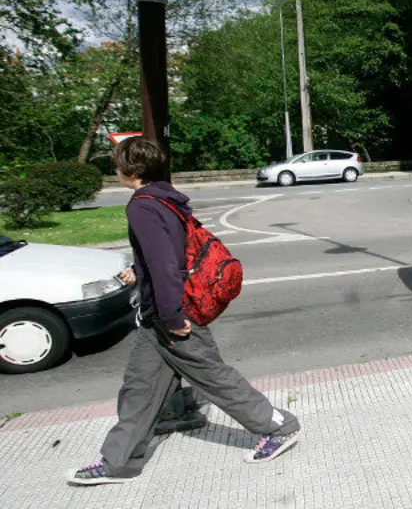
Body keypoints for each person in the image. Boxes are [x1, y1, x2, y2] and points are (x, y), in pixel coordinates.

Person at [69, 137, 300, 486]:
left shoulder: (143, 206)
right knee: (139, 388)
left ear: (131, 170)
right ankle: (119, 462)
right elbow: (166, 254)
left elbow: (166, 266)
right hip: (157, 319)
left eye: (116, 164)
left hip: (169, 317)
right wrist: (139, 270)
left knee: (213, 376)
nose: (114, 169)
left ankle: (278, 428)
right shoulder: (165, 198)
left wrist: (174, 317)